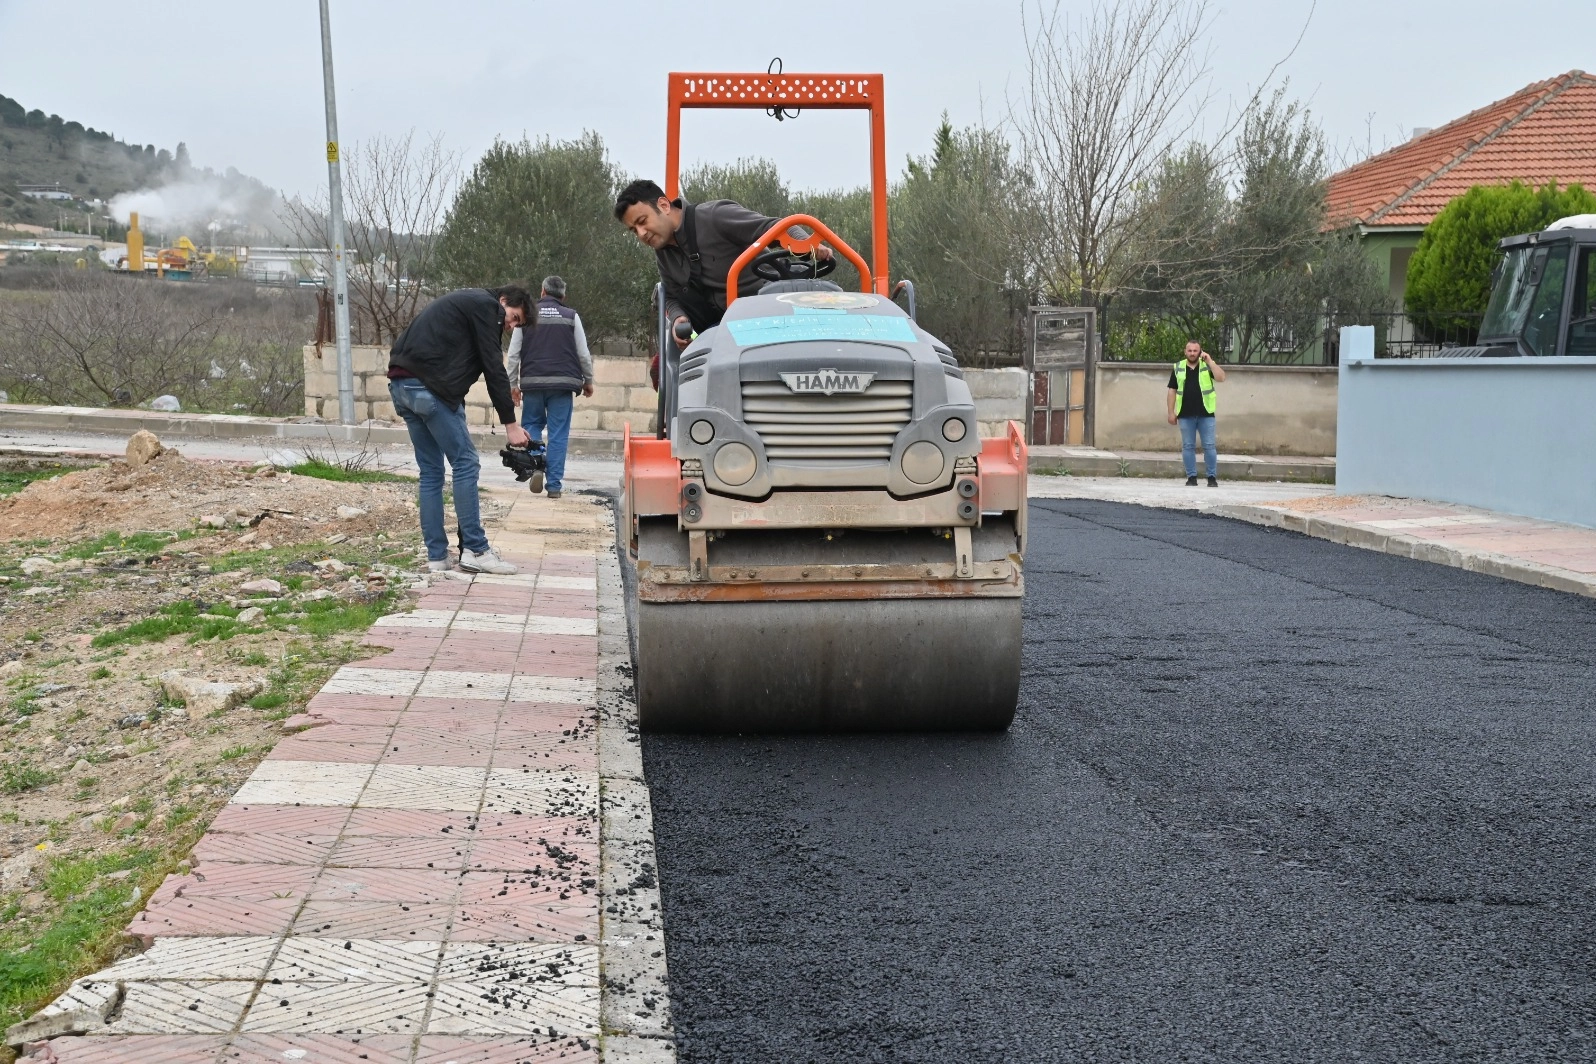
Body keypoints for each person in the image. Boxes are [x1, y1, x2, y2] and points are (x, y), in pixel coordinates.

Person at [387, 285, 531, 574]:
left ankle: (437, 558)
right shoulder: (487, 307)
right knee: (465, 463)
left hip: (401, 385)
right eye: (514, 318)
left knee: (431, 472)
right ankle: (476, 551)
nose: (511, 326)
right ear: (504, 302)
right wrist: (511, 425)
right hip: (427, 388)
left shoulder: (465, 301)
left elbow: (453, 359)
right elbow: (493, 367)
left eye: (516, 325)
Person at [613, 179, 833, 351]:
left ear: (663, 205)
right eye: (634, 230)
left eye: (642, 222)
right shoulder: (662, 253)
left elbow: (773, 227)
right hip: (722, 333)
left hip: (767, 316)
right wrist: (679, 318)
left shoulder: (714, 216)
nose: (641, 234)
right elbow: (670, 295)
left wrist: (805, 244)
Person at [507, 275, 594, 500]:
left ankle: (536, 465)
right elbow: (583, 353)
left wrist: (513, 385)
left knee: (532, 425)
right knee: (558, 434)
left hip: (533, 383)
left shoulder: (526, 315)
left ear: (543, 292)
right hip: (563, 385)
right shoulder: (571, 316)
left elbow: (514, 353)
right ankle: (554, 485)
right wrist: (588, 380)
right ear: (563, 296)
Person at [1166, 340, 1227, 486]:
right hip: (1185, 414)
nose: (1192, 353)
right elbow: (1172, 391)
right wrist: (1170, 412)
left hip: (1206, 412)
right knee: (1188, 446)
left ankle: (1211, 478)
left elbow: (1221, 378)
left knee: (1209, 446)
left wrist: (1210, 361)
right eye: (1190, 350)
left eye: (1195, 350)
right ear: (1185, 351)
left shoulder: (1206, 365)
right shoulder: (1178, 367)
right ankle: (1191, 477)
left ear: (1200, 351)